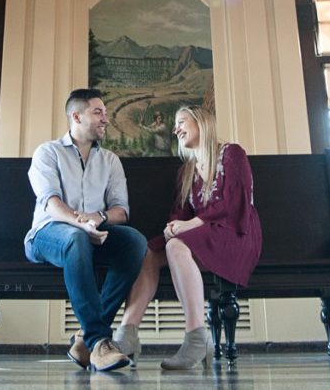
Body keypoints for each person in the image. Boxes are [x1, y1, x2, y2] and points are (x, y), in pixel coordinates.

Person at [113, 105, 262, 369]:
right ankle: (127, 334)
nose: (175, 129)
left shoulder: (231, 153)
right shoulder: (188, 170)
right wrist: (173, 226)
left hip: (235, 234)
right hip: (203, 237)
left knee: (177, 246)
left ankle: (196, 338)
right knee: (149, 250)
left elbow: (235, 203)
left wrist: (188, 225)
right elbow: (180, 212)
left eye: (181, 121)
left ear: (201, 122)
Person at [25, 88, 148, 372]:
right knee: (75, 238)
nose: (106, 118)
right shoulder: (48, 152)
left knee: (135, 243)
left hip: (92, 231)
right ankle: (100, 340)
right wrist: (81, 223)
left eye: (105, 113)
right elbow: (51, 203)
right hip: (47, 235)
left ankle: (84, 341)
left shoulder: (110, 160)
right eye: (98, 112)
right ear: (76, 116)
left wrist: (97, 217)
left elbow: (121, 211)